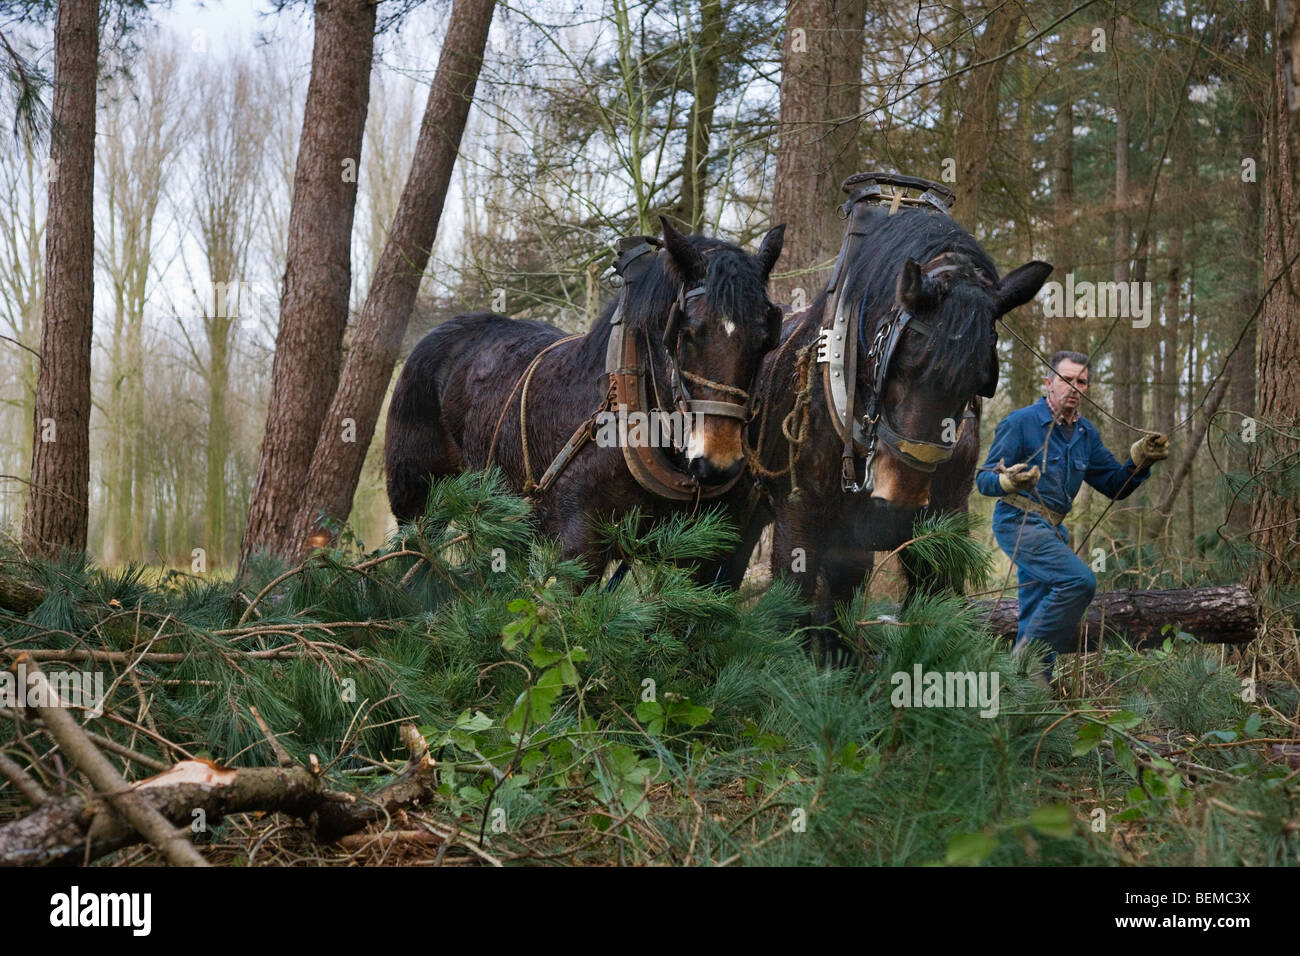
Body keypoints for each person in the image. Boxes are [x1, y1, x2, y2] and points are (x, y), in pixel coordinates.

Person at [976, 350, 1170, 685]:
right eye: (1066, 379)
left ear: (1087, 388)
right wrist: (1006, 480)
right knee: (1079, 581)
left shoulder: (1086, 435)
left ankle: (1030, 695)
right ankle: (1023, 662)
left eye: (1081, 381)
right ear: (1049, 382)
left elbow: (1114, 485)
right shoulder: (1021, 423)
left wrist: (1140, 461)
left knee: (1037, 611)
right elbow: (983, 480)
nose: (1074, 387)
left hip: (1050, 530)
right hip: (1017, 521)